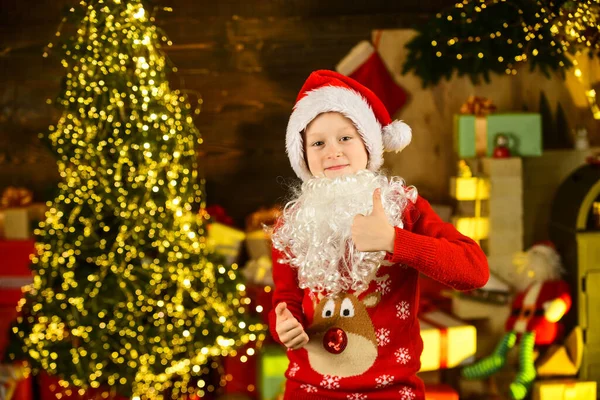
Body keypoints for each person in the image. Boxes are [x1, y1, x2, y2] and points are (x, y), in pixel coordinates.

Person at [269, 70, 489, 400]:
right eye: (318, 143)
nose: (333, 151)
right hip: (308, 390)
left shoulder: (404, 207)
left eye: (345, 138)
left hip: (392, 390)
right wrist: (283, 324)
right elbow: (285, 300)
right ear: (303, 155)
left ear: (368, 144)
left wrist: (393, 240)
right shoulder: (293, 225)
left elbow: (474, 270)